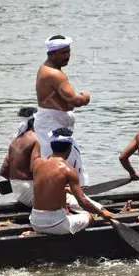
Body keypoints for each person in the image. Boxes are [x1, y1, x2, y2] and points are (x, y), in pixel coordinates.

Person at [29, 129, 113, 235]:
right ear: (69, 148)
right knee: (92, 215)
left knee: (67, 205)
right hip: (55, 225)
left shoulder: (37, 163)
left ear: (52, 146)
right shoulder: (68, 170)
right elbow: (83, 202)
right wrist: (102, 213)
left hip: (35, 222)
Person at [34, 35, 90, 185]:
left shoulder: (49, 69)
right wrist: (85, 97)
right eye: (63, 53)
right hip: (52, 125)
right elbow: (74, 101)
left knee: (64, 162)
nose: (67, 56)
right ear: (51, 54)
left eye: (68, 52)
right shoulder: (54, 74)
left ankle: (64, 193)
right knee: (64, 163)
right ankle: (69, 195)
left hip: (53, 122)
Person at [0, 107, 41, 206]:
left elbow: (3, 171)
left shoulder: (14, 141)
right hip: (30, 192)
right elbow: (35, 168)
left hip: (18, 192)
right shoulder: (36, 139)